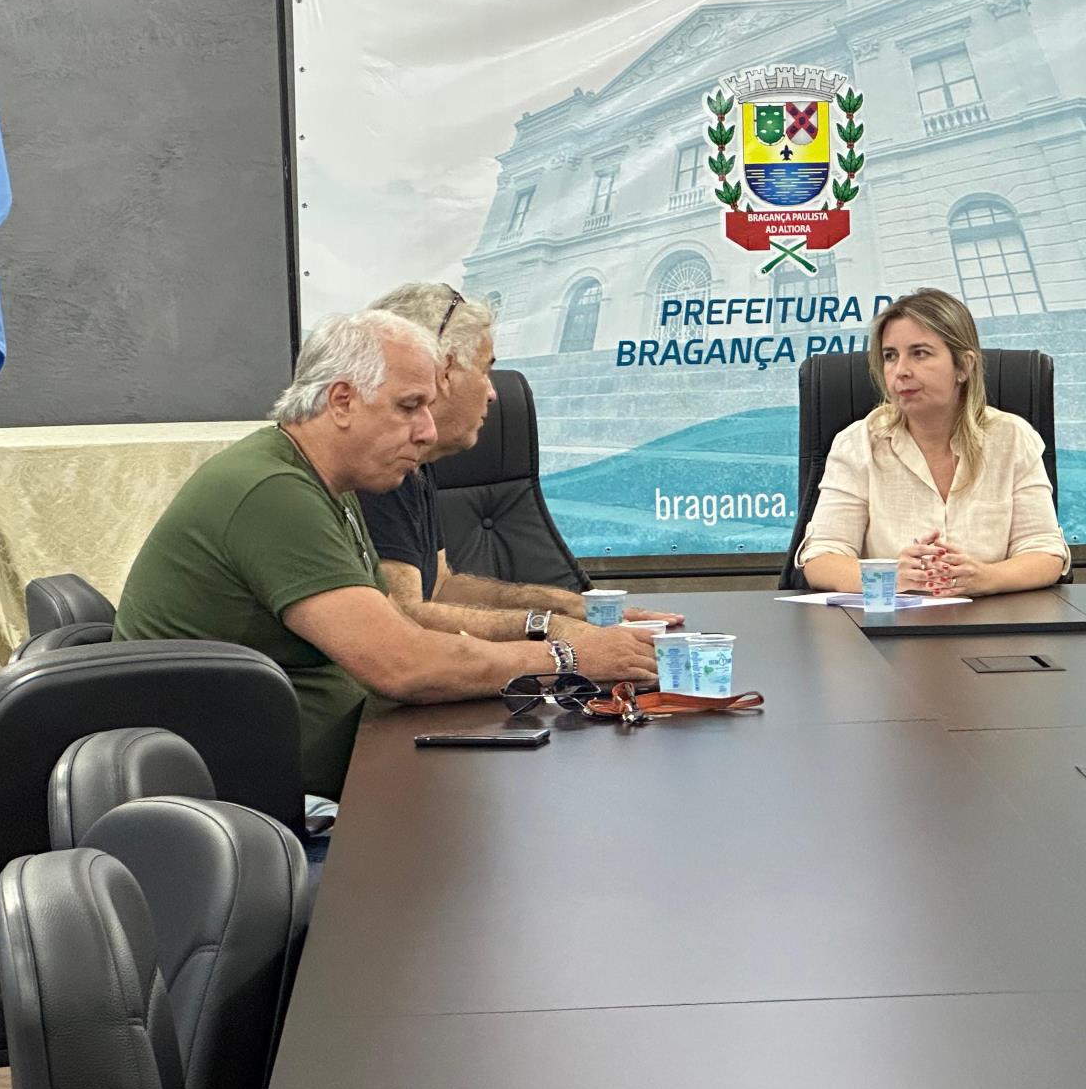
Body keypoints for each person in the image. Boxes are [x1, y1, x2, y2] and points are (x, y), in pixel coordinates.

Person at [114, 311, 658, 798]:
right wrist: (569, 659)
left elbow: (398, 622)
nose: (426, 431)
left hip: (342, 769)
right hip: (260, 810)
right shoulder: (272, 493)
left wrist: (555, 630)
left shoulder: (329, 483)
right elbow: (403, 663)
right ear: (343, 401)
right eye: (410, 407)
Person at [361, 282, 682, 637]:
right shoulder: (377, 468)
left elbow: (440, 588)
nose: (492, 392)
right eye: (484, 370)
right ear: (442, 371)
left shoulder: (418, 464)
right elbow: (406, 620)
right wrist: (557, 634)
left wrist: (573, 607)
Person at [796, 287, 1069, 596]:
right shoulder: (857, 443)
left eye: (920, 353)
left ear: (964, 366)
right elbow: (821, 558)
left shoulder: (1011, 438)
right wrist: (889, 577)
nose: (900, 371)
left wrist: (986, 577)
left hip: (991, 628)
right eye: (890, 356)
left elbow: (1046, 552)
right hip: (888, 631)